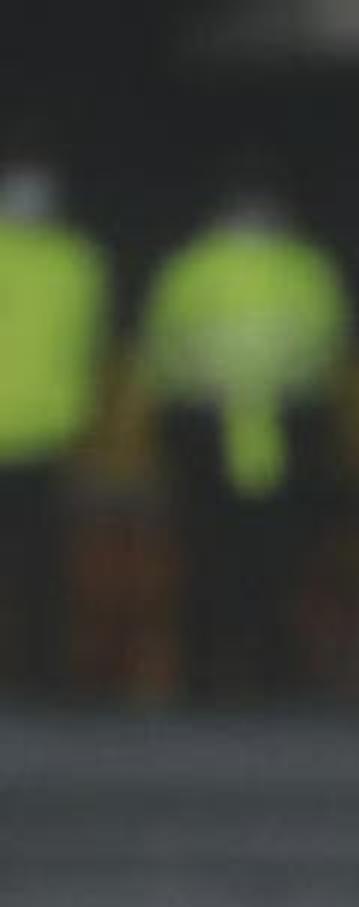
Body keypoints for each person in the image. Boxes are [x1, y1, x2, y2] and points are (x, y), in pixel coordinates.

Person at [140, 170, 352, 698]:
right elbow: (332, 352)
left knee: (223, 560)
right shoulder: (306, 267)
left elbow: (161, 352)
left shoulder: (189, 268)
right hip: (266, 429)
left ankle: (214, 675)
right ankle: (258, 674)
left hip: (221, 428)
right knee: (265, 562)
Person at [0, 138, 106, 696]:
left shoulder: (77, 259)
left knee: (41, 569)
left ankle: (40, 674)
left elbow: (87, 348)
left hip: (48, 437)